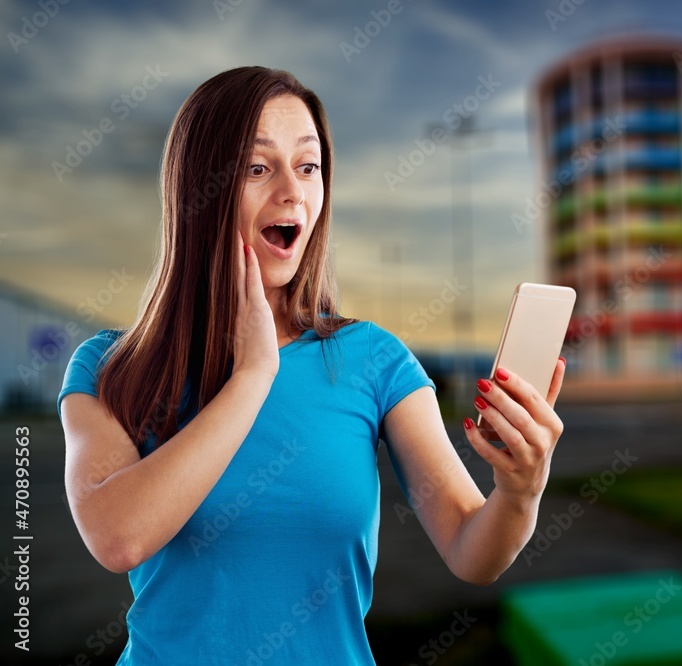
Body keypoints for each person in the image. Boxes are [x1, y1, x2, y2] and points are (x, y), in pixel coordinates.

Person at [56, 66, 566, 665]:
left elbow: (470, 549)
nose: (292, 191)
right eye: (256, 167)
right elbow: (119, 536)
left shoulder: (375, 360)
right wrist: (252, 376)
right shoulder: (109, 367)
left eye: (308, 166)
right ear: (197, 190)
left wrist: (520, 492)